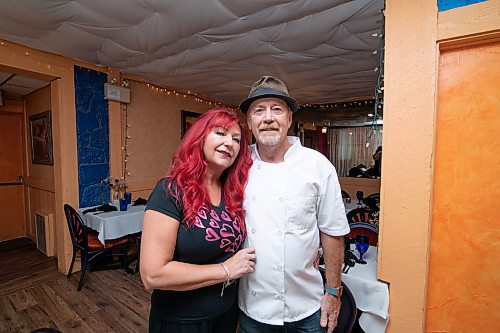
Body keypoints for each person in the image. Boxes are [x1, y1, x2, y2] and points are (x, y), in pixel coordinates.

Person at [238, 76, 350, 333]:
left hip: (307, 307)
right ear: (249, 122)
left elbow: (332, 231)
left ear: (289, 119)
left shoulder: (317, 165)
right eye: (259, 110)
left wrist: (333, 292)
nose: (268, 118)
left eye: (276, 109)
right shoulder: (237, 165)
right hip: (253, 307)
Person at [140, 107, 256, 333]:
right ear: (200, 138)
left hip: (227, 314)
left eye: (236, 139)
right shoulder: (171, 190)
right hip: (183, 320)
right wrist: (225, 270)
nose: (230, 143)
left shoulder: (232, 191)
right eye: (220, 133)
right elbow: (152, 275)